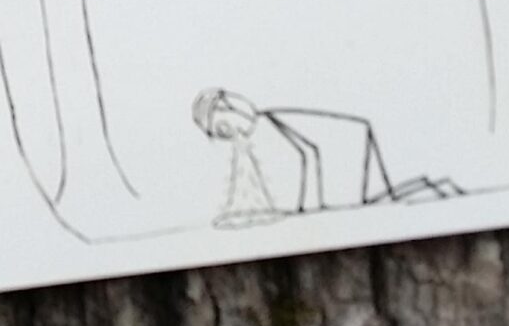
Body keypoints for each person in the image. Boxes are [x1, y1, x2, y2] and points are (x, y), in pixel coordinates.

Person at [192, 89, 461, 227]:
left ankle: (437, 189)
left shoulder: (269, 123)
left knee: (382, 205)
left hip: (346, 162)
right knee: (386, 201)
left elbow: (309, 154)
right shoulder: (267, 123)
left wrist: (307, 213)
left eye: (223, 129)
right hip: (346, 158)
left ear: (229, 108)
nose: (229, 136)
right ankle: (436, 187)